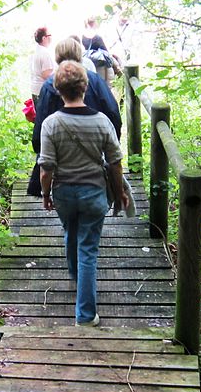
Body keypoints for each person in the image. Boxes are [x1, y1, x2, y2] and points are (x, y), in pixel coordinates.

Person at [38, 61, 129, 327]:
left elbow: (46, 168)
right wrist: (120, 190)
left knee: (71, 232)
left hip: (64, 193)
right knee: (88, 247)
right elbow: (115, 162)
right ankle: (86, 314)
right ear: (86, 87)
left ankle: (77, 279)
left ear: (57, 89)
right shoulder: (101, 122)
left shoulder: (51, 124)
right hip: (94, 193)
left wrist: (46, 194)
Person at [26, 37, 121, 197]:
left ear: (57, 58)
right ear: (79, 55)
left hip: (61, 165)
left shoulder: (50, 85)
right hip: (94, 159)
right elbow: (113, 114)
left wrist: (41, 150)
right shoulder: (96, 80)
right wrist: (111, 142)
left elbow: (41, 126)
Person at [81, 17, 120, 84]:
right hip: (102, 64)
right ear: (94, 23)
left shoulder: (83, 37)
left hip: (91, 63)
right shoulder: (97, 37)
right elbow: (105, 51)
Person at [29, 27, 55, 106]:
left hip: (35, 90)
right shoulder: (45, 53)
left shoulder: (34, 51)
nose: (51, 37)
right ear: (44, 38)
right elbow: (46, 75)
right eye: (49, 35)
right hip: (43, 91)